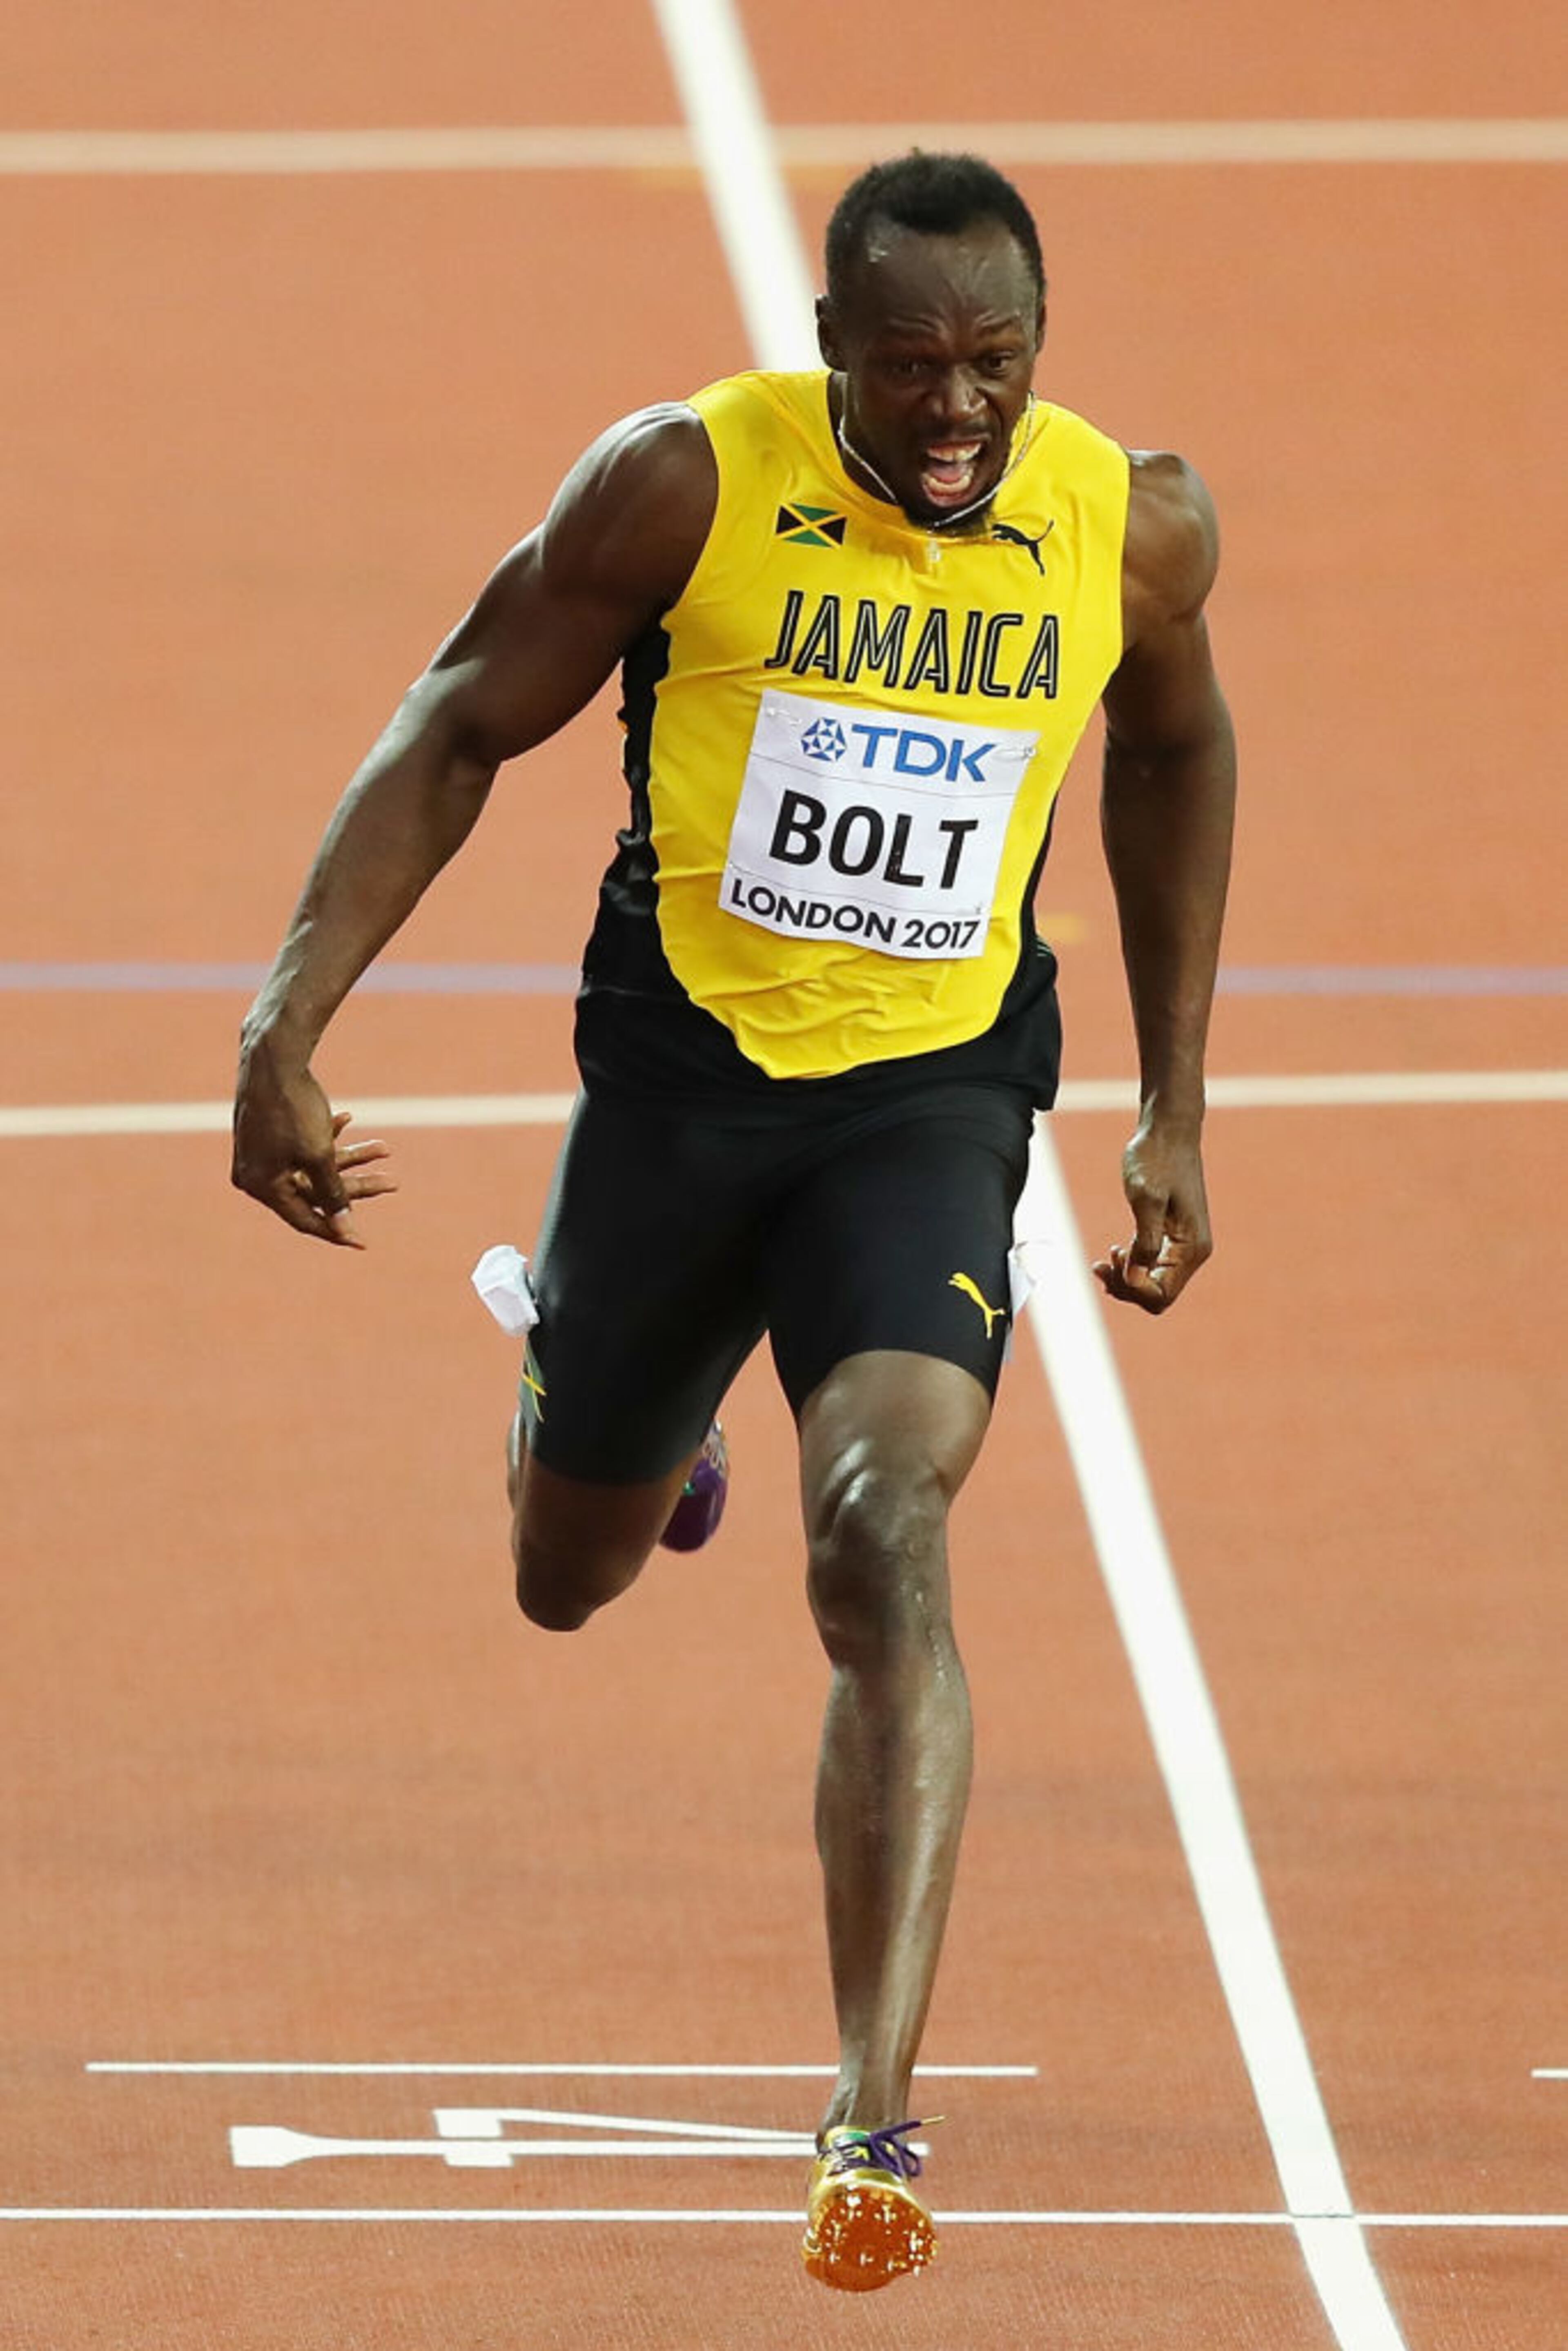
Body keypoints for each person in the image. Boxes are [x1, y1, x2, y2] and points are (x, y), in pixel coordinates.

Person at [231, 151, 1235, 2292]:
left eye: (996, 362)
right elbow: (459, 717)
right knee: (562, 1574)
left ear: (1040, 348)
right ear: (829, 357)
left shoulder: (1128, 522)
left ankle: (872, 2111)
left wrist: (1172, 1100)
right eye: (907, 371)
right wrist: (286, 1015)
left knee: (884, 1527)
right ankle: (611, 1391)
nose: (956, 409)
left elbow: (1176, 745)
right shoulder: (682, 488)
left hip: (932, 1107)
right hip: (681, 1104)